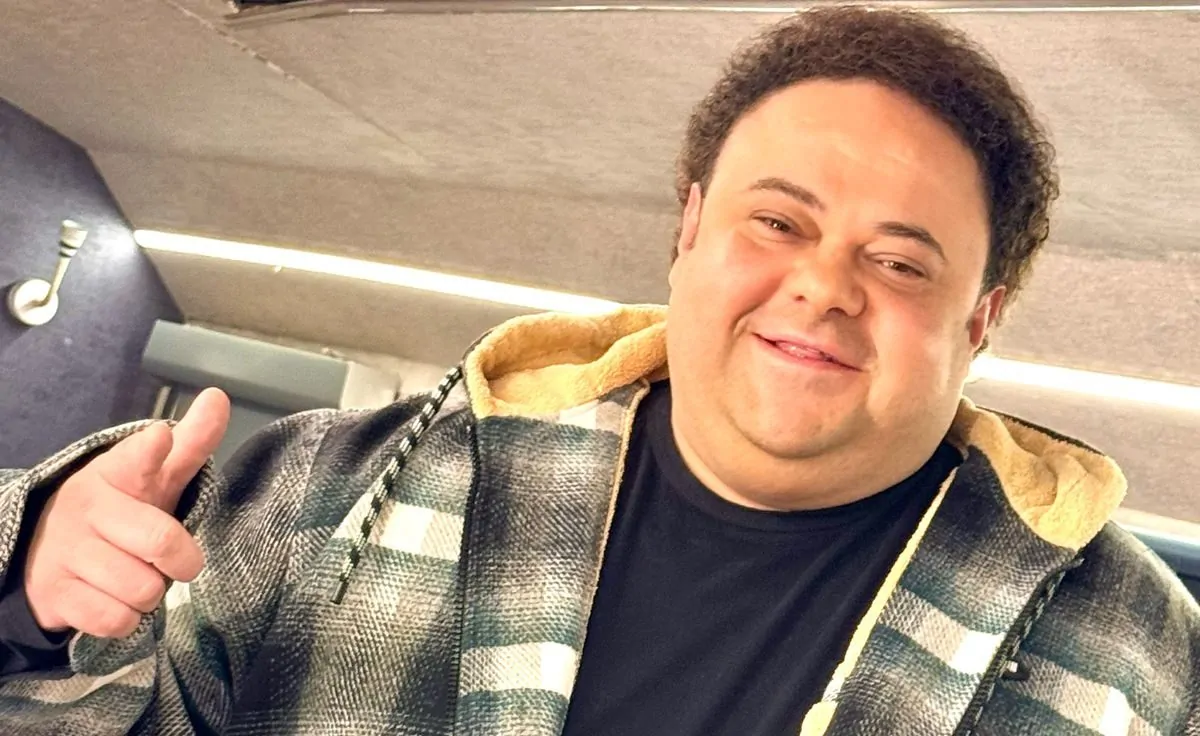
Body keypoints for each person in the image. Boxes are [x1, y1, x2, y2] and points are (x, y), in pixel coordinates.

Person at [0, 6, 1196, 735]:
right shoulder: (325, 489)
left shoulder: (1143, 660)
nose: (824, 286)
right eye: (777, 222)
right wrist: (30, 594)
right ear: (690, 228)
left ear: (979, 321)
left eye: (898, 261)